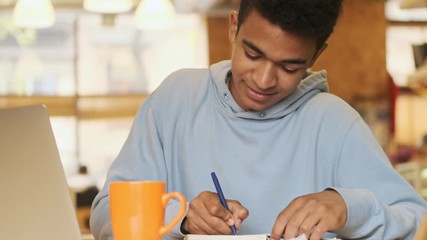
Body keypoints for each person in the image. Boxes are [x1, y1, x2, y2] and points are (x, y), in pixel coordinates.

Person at [90, 0, 427, 239]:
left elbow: (416, 223)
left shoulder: (335, 123)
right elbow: (105, 216)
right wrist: (180, 219)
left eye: (289, 66)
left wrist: (347, 207)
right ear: (233, 27)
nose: (264, 80)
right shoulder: (176, 99)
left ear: (316, 55)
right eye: (253, 54)